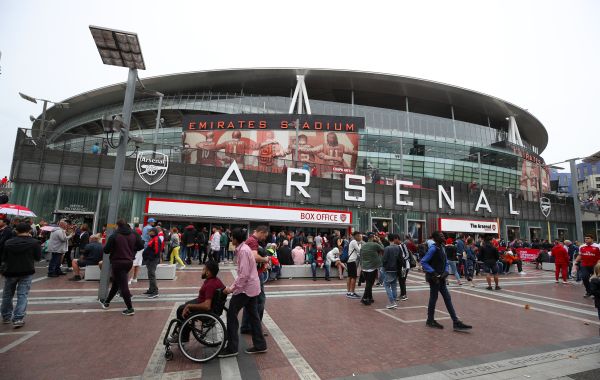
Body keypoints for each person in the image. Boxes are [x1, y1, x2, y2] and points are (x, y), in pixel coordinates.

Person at [219, 228, 267, 357]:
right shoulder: (243, 249)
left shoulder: (243, 251)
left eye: (231, 237)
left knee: (231, 313)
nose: (230, 239)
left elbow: (244, 275)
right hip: (252, 287)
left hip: (246, 288)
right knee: (254, 316)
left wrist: (232, 288)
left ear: (235, 239)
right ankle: (260, 344)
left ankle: (232, 347)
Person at [420, 231, 472, 331]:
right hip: (435, 279)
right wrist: (434, 273)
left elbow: (446, 261)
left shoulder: (443, 247)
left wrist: (446, 271)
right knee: (434, 299)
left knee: (447, 298)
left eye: (443, 235)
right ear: (435, 238)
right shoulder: (433, 249)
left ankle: (455, 322)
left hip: (441, 278)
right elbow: (424, 262)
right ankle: (431, 320)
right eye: (441, 236)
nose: (443, 237)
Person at [167, 261, 225, 344]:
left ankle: (183, 337)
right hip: (208, 304)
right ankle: (182, 330)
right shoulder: (216, 280)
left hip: (207, 310)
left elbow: (207, 306)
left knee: (181, 309)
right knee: (184, 306)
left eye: (204, 269)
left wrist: (189, 306)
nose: (202, 271)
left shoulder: (210, 285)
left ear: (208, 272)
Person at [99, 219, 144, 316]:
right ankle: (106, 302)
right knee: (116, 283)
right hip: (129, 262)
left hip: (117, 262)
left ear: (117, 225)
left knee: (123, 286)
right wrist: (131, 250)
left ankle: (130, 308)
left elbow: (106, 250)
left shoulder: (115, 235)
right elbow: (141, 246)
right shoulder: (134, 234)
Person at [0, 223, 41, 327]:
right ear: (29, 231)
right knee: (22, 295)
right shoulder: (35, 242)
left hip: (10, 271)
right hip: (26, 271)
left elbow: (4, 258)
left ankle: (6, 316)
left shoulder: (8, 242)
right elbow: (38, 257)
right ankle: (18, 318)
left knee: (7, 295)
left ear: (16, 231)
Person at [240, 226, 270, 337]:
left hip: (253, 274)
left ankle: (246, 326)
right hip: (256, 276)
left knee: (250, 302)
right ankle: (254, 328)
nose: (264, 238)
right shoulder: (253, 241)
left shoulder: (251, 240)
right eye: (265, 236)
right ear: (261, 232)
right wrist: (265, 259)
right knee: (259, 302)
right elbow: (254, 256)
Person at [359, 232, 383, 306]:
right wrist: (379, 241)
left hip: (364, 267)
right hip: (372, 267)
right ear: (372, 237)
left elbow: (361, 256)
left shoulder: (363, 246)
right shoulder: (375, 245)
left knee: (368, 283)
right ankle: (364, 298)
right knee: (369, 284)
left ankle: (370, 297)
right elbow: (382, 248)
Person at [382, 233, 401, 309]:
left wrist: (383, 266)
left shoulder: (387, 248)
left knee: (386, 285)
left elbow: (384, 259)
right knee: (394, 285)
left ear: (388, 239)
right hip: (396, 269)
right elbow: (400, 259)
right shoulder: (398, 247)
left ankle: (392, 302)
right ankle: (394, 301)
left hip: (388, 269)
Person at [142, 228, 162, 299]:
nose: (149, 233)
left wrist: (149, 258)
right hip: (150, 259)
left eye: (150, 231)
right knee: (150, 275)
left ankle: (155, 291)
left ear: (153, 232)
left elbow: (156, 251)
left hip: (152, 260)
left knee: (152, 275)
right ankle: (151, 289)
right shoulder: (153, 238)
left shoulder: (156, 239)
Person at [346, 231, 362, 299]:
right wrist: (360, 244)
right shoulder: (354, 242)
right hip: (352, 261)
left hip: (350, 260)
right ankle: (352, 293)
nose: (360, 237)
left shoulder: (352, 242)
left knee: (349, 276)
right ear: (355, 236)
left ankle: (349, 292)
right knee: (354, 277)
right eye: (359, 236)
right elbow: (359, 250)